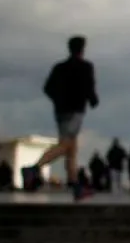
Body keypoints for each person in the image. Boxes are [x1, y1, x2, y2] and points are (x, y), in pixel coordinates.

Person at [24, 36, 99, 198]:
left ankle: (75, 185)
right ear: (82, 48)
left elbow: (47, 88)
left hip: (60, 111)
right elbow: (89, 86)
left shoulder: (59, 67)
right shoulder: (85, 67)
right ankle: (34, 169)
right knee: (65, 145)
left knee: (71, 149)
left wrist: (58, 100)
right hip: (76, 111)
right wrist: (92, 100)